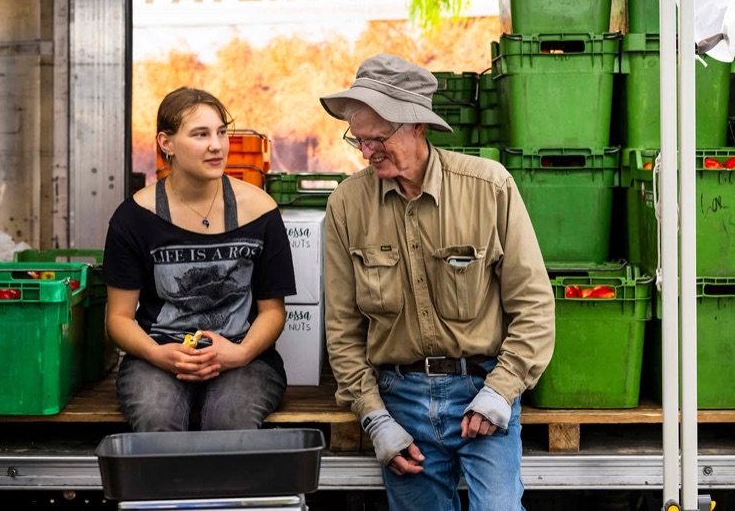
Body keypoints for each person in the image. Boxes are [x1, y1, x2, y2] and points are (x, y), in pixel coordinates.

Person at [319, 54, 556, 510]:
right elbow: (343, 329)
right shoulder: (347, 204)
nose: (367, 153)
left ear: (416, 126)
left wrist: (501, 391)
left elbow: (533, 307)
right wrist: (373, 417)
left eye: (378, 139)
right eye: (359, 140)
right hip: (398, 399)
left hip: (481, 387)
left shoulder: (488, 187)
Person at [102, 86, 296, 432]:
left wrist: (241, 353)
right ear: (166, 143)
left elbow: (273, 311)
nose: (217, 145)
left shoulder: (260, 211)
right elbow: (117, 318)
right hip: (158, 356)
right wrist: (156, 353)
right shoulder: (133, 218)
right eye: (200, 134)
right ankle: (166, 488)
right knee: (156, 416)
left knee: (229, 420)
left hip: (243, 357)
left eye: (221, 132)